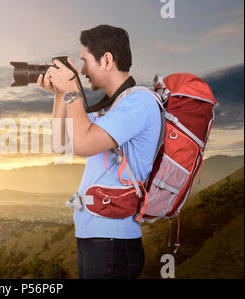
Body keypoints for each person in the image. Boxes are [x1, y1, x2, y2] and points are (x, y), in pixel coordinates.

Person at [37, 25, 161, 279]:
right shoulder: (110, 108)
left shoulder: (139, 103)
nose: (81, 71)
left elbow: (82, 145)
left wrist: (72, 90)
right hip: (93, 238)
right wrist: (61, 95)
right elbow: (61, 145)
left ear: (106, 59)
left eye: (84, 61)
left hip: (114, 241)